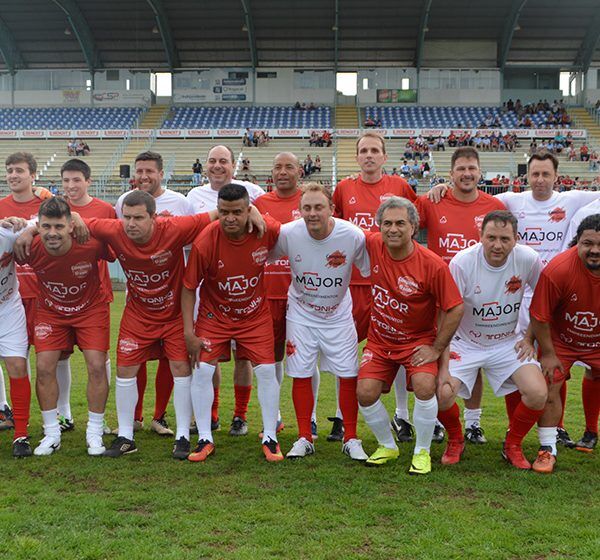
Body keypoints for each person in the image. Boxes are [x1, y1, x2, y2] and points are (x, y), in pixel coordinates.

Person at [428, 149, 600, 447]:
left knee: (536, 375)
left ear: (557, 177)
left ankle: (534, 435)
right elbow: (472, 191)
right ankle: (466, 433)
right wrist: (443, 188)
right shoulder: (510, 201)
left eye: (547, 174)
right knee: (452, 385)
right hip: (484, 313)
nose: (541, 179)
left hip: (539, 299)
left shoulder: (570, 201)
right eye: (535, 174)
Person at [84, 190, 216, 458]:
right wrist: (29, 228)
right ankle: (125, 436)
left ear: (154, 217)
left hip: (174, 315)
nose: (131, 224)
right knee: (125, 369)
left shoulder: (175, 228)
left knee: (180, 368)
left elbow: (216, 214)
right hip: (137, 315)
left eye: (138, 218)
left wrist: (255, 213)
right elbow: (75, 218)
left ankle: (181, 436)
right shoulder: (113, 230)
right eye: (127, 217)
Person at [357, 197, 463, 475]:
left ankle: (422, 451)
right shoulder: (373, 245)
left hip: (417, 341)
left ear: (413, 227)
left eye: (400, 223)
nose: (393, 229)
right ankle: (387, 445)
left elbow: (455, 308)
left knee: (426, 386)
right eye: (387, 223)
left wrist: (437, 348)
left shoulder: (432, 264)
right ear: (378, 227)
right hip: (380, 341)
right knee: (365, 393)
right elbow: (334, 227)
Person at [436, 210, 548, 471]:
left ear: (516, 238)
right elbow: (447, 311)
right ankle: (455, 439)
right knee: (441, 394)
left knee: (538, 393)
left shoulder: (528, 259)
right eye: (492, 237)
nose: (498, 245)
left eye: (505, 239)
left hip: (506, 343)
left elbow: (543, 301)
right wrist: (443, 353)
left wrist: (529, 337)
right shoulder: (462, 262)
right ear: (481, 236)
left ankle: (512, 445)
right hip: (466, 342)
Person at [182, 184, 282, 463]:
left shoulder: (265, 230)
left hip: (255, 316)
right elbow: (189, 287)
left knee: (266, 371)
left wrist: (262, 214)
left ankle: (270, 437)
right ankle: (204, 437)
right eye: (224, 212)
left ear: (248, 210)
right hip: (215, 316)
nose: (230, 218)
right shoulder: (205, 241)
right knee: (202, 371)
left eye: (237, 212)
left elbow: (285, 233)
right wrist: (189, 332)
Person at [270, 183, 370, 462]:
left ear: (332, 209)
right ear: (299, 210)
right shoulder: (289, 233)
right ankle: (304, 436)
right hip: (301, 314)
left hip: (338, 314)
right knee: (300, 372)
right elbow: (260, 252)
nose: (312, 213)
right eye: (307, 208)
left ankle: (351, 437)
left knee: (349, 374)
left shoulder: (352, 235)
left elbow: (372, 266)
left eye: (318, 207)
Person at [332, 132, 420, 446]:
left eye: (375, 150)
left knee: (395, 345)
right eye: (363, 151)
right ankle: (342, 417)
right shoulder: (343, 189)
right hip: (353, 283)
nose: (369, 155)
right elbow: (335, 231)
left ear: (384, 156)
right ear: (357, 157)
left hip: (391, 284)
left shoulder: (400, 187)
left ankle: (402, 414)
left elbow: (419, 220)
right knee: (344, 349)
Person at [417, 147, 506, 443]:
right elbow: (400, 219)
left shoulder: (494, 205)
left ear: (479, 172)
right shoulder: (433, 200)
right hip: (437, 297)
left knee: (475, 357)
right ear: (451, 173)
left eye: (472, 168)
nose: (467, 174)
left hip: (478, 297)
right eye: (461, 169)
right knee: (433, 355)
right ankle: (435, 419)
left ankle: (473, 423)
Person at [22, 198, 114, 457]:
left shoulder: (90, 242)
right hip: (51, 313)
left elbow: (118, 240)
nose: (52, 233)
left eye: (59, 226)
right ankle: (52, 432)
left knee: (97, 365)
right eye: (46, 226)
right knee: (43, 367)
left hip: (90, 311)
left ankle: (94, 431)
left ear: (70, 226)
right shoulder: (29, 245)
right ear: (38, 226)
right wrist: (24, 233)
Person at [187, 145, 265, 437]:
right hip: (210, 289)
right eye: (212, 161)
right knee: (211, 355)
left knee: (244, 356)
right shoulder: (193, 197)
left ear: (234, 165)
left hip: (245, 290)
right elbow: (187, 230)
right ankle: (213, 412)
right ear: (204, 166)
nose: (217, 166)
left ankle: (241, 416)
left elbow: (264, 226)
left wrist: (255, 209)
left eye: (223, 161)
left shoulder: (252, 191)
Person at [115, 152, 193, 438]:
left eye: (149, 171)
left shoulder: (181, 202)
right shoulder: (124, 201)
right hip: (139, 294)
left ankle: (159, 416)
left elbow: (192, 238)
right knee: (136, 356)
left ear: (162, 173)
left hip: (172, 295)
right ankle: (134, 417)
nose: (144, 176)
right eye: (139, 171)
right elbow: (121, 238)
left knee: (168, 359)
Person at [530, 214, 600, 460]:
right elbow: (540, 316)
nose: (594, 250)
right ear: (576, 242)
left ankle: (591, 432)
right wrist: (548, 353)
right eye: (587, 243)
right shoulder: (558, 269)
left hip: (598, 341)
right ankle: (548, 446)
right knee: (549, 384)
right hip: (562, 340)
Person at [55, 159, 116, 435]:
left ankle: (100, 418)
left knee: (98, 359)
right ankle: (63, 414)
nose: (71, 186)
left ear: (88, 181)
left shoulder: (105, 209)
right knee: (60, 356)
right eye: (66, 180)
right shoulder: (54, 209)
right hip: (59, 297)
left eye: (76, 180)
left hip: (96, 297)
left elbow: (114, 251)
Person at [253, 153, 304, 435]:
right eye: (277, 167)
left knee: (303, 356)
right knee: (270, 356)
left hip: (303, 294)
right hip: (268, 292)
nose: (282, 172)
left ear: (299, 171)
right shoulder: (260, 204)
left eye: (289, 167)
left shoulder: (308, 202)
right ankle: (274, 416)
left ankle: (307, 419)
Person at [0, 152, 45, 430]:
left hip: (40, 292)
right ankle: (5, 410)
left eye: (19, 170)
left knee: (52, 355)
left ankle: (62, 414)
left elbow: (61, 221)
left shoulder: (47, 203)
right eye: (9, 171)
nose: (13, 175)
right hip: (14, 291)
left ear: (32, 174)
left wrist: (31, 227)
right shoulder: (1, 208)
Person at [0, 218, 33, 457]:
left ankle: (20, 434)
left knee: (17, 365)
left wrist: (29, 230)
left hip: (8, 308)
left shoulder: (8, 234)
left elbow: (50, 219)